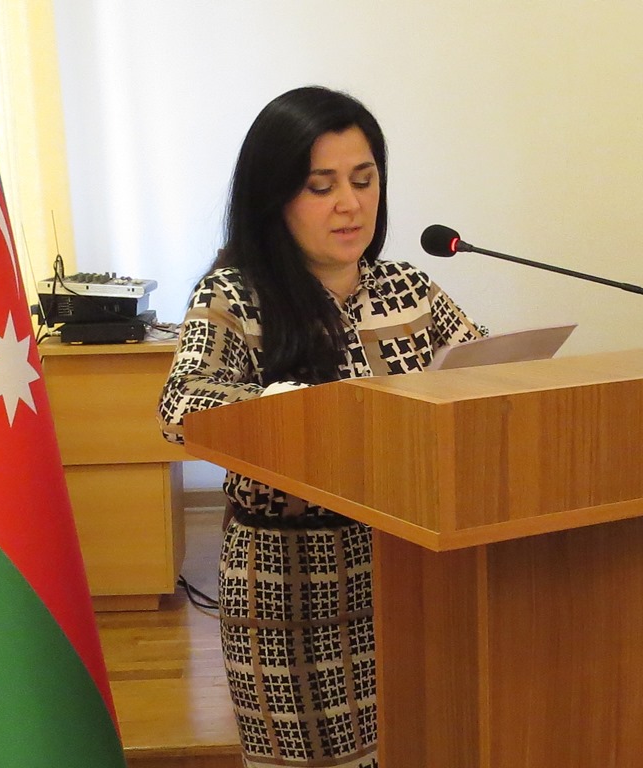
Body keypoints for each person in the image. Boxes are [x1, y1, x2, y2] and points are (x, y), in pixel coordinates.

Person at [158, 85, 486, 768]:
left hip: (413, 570)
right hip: (292, 583)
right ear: (275, 197)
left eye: (364, 181)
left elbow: (485, 370)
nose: (350, 204)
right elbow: (182, 407)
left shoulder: (408, 289)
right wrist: (291, 408)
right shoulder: (235, 296)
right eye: (321, 186)